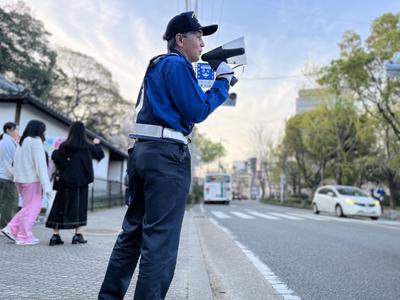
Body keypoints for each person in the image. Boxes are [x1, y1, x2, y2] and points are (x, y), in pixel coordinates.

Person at [99, 11, 235, 300]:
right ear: (179, 39)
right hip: (166, 158)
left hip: (142, 153)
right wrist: (222, 82)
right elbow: (196, 110)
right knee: (159, 241)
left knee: (131, 235)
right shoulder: (176, 64)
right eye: (198, 35)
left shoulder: (157, 65)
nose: (202, 42)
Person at [45, 121, 104, 246]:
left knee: (60, 207)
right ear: (83, 132)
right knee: (79, 207)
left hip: (65, 181)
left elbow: (57, 159)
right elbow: (100, 154)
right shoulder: (88, 146)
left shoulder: (64, 146)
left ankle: (55, 236)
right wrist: (97, 144)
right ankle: (77, 235)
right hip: (81, 181)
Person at [1, 120, 51, 245]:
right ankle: (23, 236)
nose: (45, 132)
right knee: (32, 209)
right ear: (39, 129)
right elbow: (40, 165)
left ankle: (13, 229)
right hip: (32, 180)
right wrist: (47, 186)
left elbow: (15, 161)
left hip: (20, 180)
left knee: (27, 208)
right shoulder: (36, 141)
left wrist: (16, 178)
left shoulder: (23, 141)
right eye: (44, 129)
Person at [0, 122, 19, 228]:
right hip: (8, 177)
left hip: (2, 175)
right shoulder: (9, 142)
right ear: (9, 130)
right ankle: (5, 227)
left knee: (3, 202)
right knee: (10, 202)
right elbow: (16, 159)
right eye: (16, 129)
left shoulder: (3, 141)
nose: (17, 132)